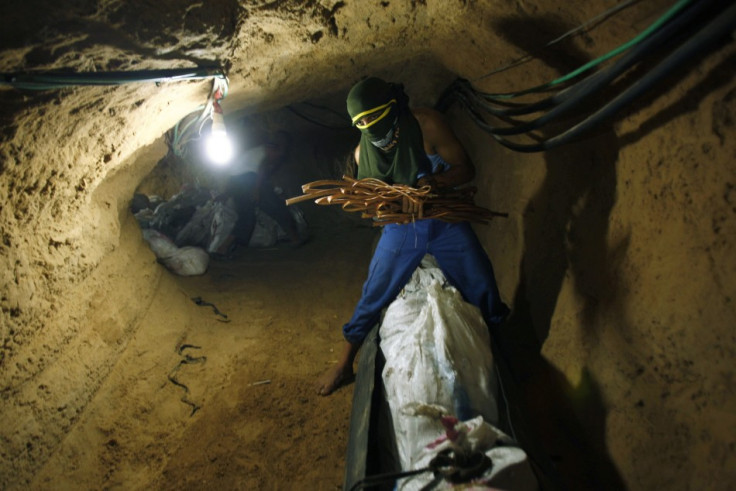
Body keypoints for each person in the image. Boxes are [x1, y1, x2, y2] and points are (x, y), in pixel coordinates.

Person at [317, 76, 510, 396]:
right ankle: (344, 362)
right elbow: (376, 205)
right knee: (374, 290)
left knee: (482, 280)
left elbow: (467, 169)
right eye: (360, 122)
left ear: (390, 108)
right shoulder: (361, 152)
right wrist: (388, 201)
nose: (369, 127)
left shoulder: (427, 125)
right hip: (402, 228)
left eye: (373, 117)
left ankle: (502, 350)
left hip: (444, 220)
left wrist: (437, 182)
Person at [217, 131, 305, 252]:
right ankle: (295, 239)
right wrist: (257, 190)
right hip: (248, 180)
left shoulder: (258, 151)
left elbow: (235, 172)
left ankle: (223, 247)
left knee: (246, 216)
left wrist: (227, 192)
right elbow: (262, 168)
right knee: (277, 207)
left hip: (237, 182)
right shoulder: (271, 149)